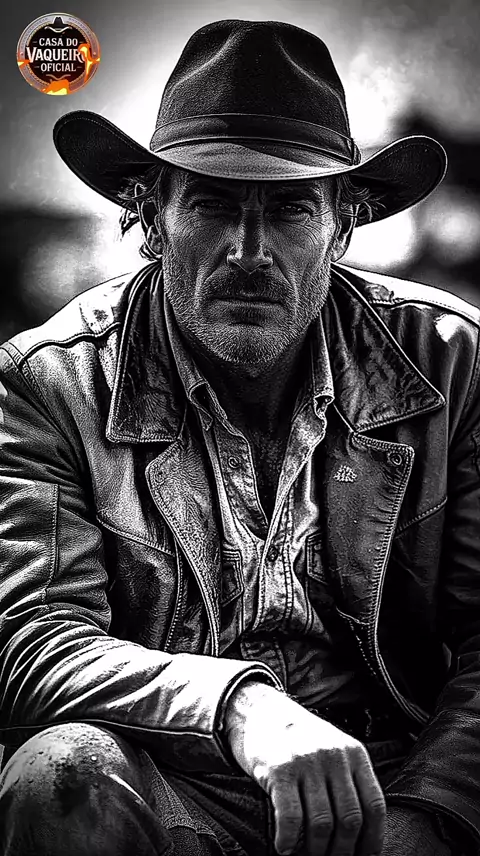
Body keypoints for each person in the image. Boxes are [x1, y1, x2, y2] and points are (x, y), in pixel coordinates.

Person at [0, 17, 478, 856]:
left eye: (290, 209)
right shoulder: (50, 383)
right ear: (152, 218)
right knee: (57, 772)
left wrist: (428, 813)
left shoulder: (454, 364)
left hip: (394, 778)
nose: (249, 251)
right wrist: (236, 707)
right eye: (213, 203)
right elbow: (33, 643)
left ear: (343, 227)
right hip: (170, 783)